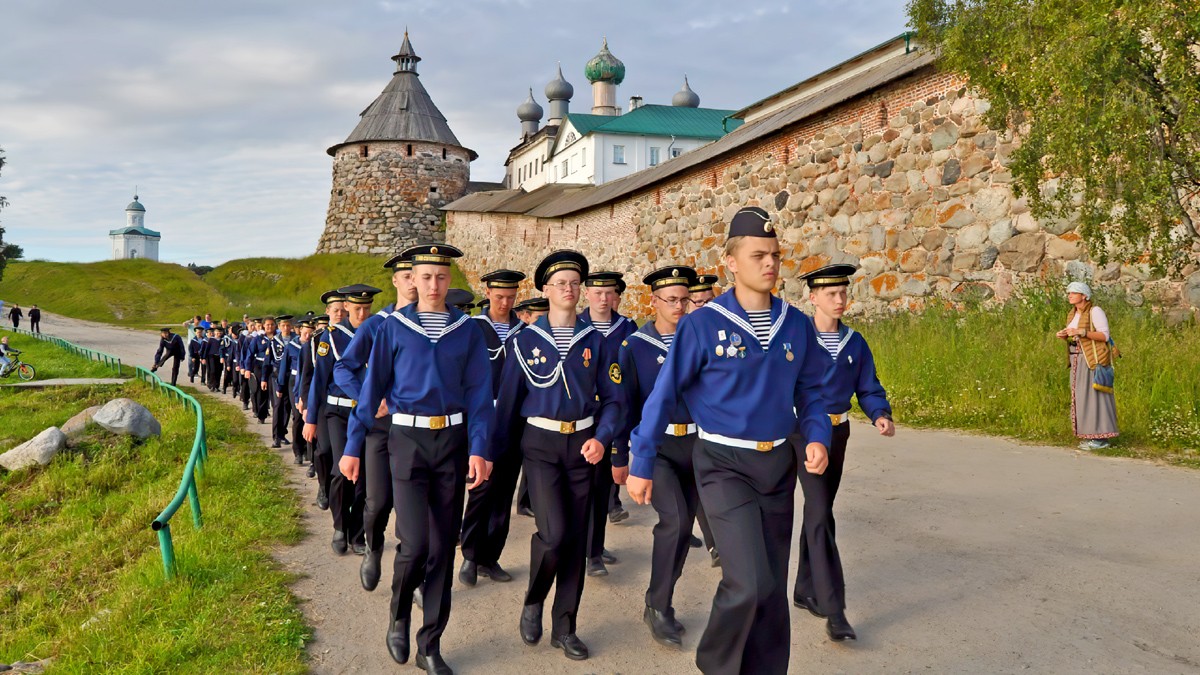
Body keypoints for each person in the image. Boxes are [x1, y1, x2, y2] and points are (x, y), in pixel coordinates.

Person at [626, 206, 831, 675]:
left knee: (772, 588)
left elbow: (814, 390)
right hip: (723, 466)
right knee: (748, 583)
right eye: (758, 255)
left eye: (776, 255)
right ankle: (716, 665)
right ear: (732, 262)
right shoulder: (703, 324)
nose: (770, 264)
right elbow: (664, 392)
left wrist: (817, 435)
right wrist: (641, 459)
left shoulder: (796, 324)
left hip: (778, 467)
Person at [342, 244, 494, 674]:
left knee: (444, 547)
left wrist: (481, 448)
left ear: (450, 280)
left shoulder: (467, 330)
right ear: (412, 280)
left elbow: (482, 396)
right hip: (406, 440)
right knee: (414, 544)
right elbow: (370, 394)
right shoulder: (392, 328)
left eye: (441, 277)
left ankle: (430, 643)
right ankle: (399, 614)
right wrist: (353, 446)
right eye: (424, 277)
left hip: (452, 441)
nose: (432, 285)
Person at [493, 250, 624, 661]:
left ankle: (565, 626)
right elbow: (509, 404)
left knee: (576, 540)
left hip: (584, 448)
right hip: (542, 447)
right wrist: (490, 456)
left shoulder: (595, 341)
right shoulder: (525, 341)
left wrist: (604, 439)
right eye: (560, 283)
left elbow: (615, 400)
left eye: (574, 283)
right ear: (545, 290)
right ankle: (533, 599)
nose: (569, 289)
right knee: (553, 536)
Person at [793, 264, 895, 642]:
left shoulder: (855, 342)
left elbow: (868, 386)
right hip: (803, 433)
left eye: (843, 293)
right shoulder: (798, 338)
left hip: (839, 432)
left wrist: (879, 413)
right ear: (813, 297)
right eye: (830, 294)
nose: (839, 300)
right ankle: (834, 610)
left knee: (819, 512)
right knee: (820, 514)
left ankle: (804, 589)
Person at [614, 264, 701, 649]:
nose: (680, 307)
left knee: (683, 531)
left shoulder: (698, 340)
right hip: (659, 447)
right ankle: (659, 605)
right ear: (654, 302)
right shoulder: (635, 347)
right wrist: (623, 457)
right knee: (677, 522)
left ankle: (659, 599)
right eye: (672, 300)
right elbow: (625, 405)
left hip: (698, 445)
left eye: (685, 300)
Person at [333, 253, 417, 591]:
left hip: (420, 429)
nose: (414, 282)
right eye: (407, 276)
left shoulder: (437, 325)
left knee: (414, 506)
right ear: (395, 282)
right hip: (381, 428)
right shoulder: (376, 324)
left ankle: (415, 575)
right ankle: (372, 545)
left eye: (420, 275)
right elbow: (343, 368)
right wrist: (369, 398)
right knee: (378, 499)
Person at [459, 269, 528, 588]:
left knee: (504, 492)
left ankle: (491, 557)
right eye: (499, 296)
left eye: (511, 297)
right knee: (480, 488)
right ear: (487, 293)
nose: (505, 302)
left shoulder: (524, 331)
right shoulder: (473, 328)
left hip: (514, 420)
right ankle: (471, 556)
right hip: (483, 418)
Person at [304, 285, 381, 556]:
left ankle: (357, 534)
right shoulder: (332, 337)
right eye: (357, 308)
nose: (362, 313)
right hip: (338, 413)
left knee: (365, 479)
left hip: (368, 413)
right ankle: (339, 525)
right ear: (346, 307)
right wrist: (311, 418)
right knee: (340, 471)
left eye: (367, 308)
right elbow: (319, 379)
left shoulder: (377, 332)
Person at [577, 270, 636, 577]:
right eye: (597, 292)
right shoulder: (576, 326)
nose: (603, 298)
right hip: (581, 418)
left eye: (609, 292)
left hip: (613, 415)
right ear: (586, 294)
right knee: (578, 491)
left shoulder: (627, 327)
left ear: (615, 295)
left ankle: (594, 551)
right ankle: (579, 546)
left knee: (601, 490)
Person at [1057, 281, 1119, 449]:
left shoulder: (1095, 311)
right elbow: (1074, 337)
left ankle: (1100, 437)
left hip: (1092, 360)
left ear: (1084, 296)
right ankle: (1089, 435)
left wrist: (1082, 332)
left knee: (1095, 397)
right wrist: (1065, 335)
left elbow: (1104, 336)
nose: (1069, 295)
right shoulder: (1072, 314)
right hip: (1076, 359)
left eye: (1074, 292)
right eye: (1069, 292)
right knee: (1082, 398)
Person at [686, 273, 721, 563]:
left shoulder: (725, 329)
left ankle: (718, 543)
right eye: (695, 302)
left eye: (707, 300)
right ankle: (712, 543)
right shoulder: (684, 333)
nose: (702, 306)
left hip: (715, 423)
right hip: (684, 423)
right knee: (695, 486)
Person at [512, 296, 549, 520]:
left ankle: (527, 501)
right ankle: (522, 500)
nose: (543, 322)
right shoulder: (521, 340)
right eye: (538, 318)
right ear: (526, 317)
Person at [265, 316, 296, 448]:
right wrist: (263, 379)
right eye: (283, 326)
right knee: (277, 405)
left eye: (288, 325)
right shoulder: (274, 341)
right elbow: (268, 360)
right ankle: (276, 437)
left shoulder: (295, 339)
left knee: (288, 405)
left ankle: (283, 432)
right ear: (279, 327)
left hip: (291, 374)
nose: (286, 328)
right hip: (277, 375)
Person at [249, 318, 278, 423]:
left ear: (275, 326)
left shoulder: (278, 339)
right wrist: (247, 368)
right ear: (263, 326)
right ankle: (261, 415)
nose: (269, 327)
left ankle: (276, 415)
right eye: (267, 325)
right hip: (260, 366)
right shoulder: (258, 339)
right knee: (261, 392)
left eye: (272, 325)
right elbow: (250, 353)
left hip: (274, 367)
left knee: (274, 391)